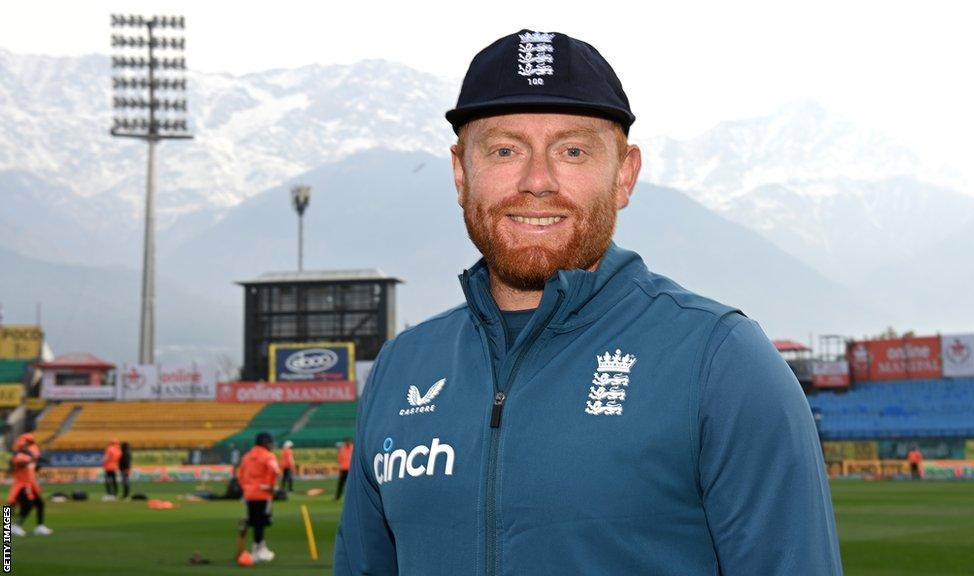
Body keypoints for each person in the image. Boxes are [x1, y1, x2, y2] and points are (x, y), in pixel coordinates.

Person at [334, 30, 841, 576]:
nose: (537, 182)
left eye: (572, 151)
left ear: (624, 175)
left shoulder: (720, 358)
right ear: (461, 174)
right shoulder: (402, 367)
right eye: (505, 150)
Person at [237, 431, 280, 563]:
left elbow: (240, 475)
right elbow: (275, 471)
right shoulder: (269, 456)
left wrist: (246, 487)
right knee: (261, 523)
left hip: (249, 494)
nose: (271, 445)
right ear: (265, 442)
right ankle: (258, 551)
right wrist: (271, 487)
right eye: (269, 442)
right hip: (263, 493)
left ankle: (260, 547)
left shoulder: (247, 456)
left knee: (254, 522)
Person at [8, 433, 52, 536]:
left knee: (40, 504)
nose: (28, 447)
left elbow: (33, 468)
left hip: (30, 484)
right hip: (21, 485)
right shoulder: (19, 455)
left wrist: (38, 463)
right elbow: (20, 464)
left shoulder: (29, 455)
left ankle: (39, 526)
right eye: (26, 445)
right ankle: (14, 527)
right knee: (27, 505)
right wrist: (32, 459)